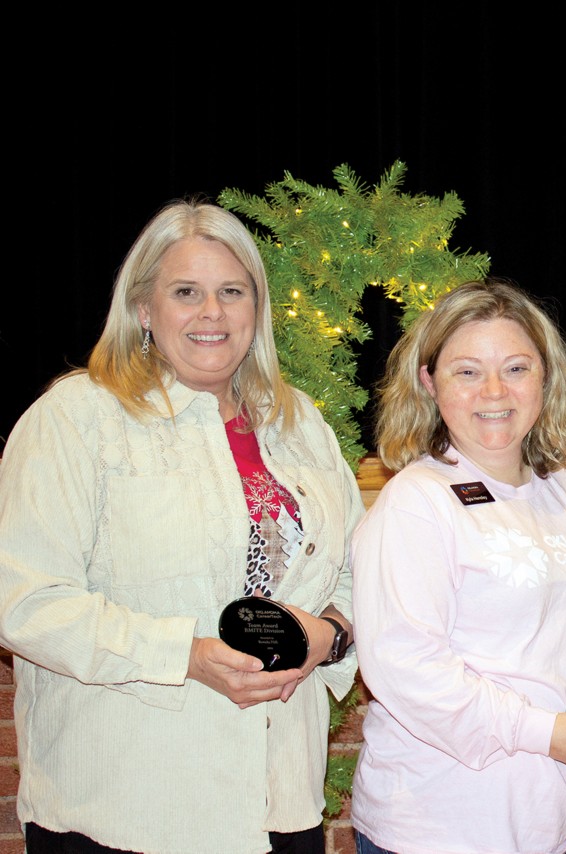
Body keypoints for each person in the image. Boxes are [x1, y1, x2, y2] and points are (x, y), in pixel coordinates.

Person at [0, 201, 361, 853]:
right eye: (186, 292)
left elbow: (358, 572)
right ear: (143, 308)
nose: (212, 314)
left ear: (257, 308)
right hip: (129, 808)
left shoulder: (298, 421)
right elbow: (27, 604)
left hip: (281, 801)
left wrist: (330, 636)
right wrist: (185, 655)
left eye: (232, 292)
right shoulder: (74, 421)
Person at [350, 279, 566, 854]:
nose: (494, 390)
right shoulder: (417, 501)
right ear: (428, 381)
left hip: (556, 822)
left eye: (516, 367)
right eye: (467, 371)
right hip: (439, 827)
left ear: (545, 377)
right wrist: (543, 732)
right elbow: (405, 666)